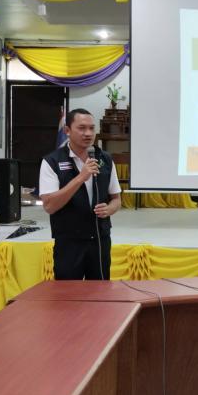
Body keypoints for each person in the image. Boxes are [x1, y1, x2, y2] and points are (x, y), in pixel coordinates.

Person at [39, 108, 122, 280]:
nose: (88, 133)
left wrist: (109, 209)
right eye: (82, 128)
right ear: (67, 130)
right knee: (68, 292)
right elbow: (49, 206)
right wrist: (80, 178)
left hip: (100, 239)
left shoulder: (104, 159)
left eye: (92, 128)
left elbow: (116, 199)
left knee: (100, 292)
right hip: (69, 241)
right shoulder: (52, 161)